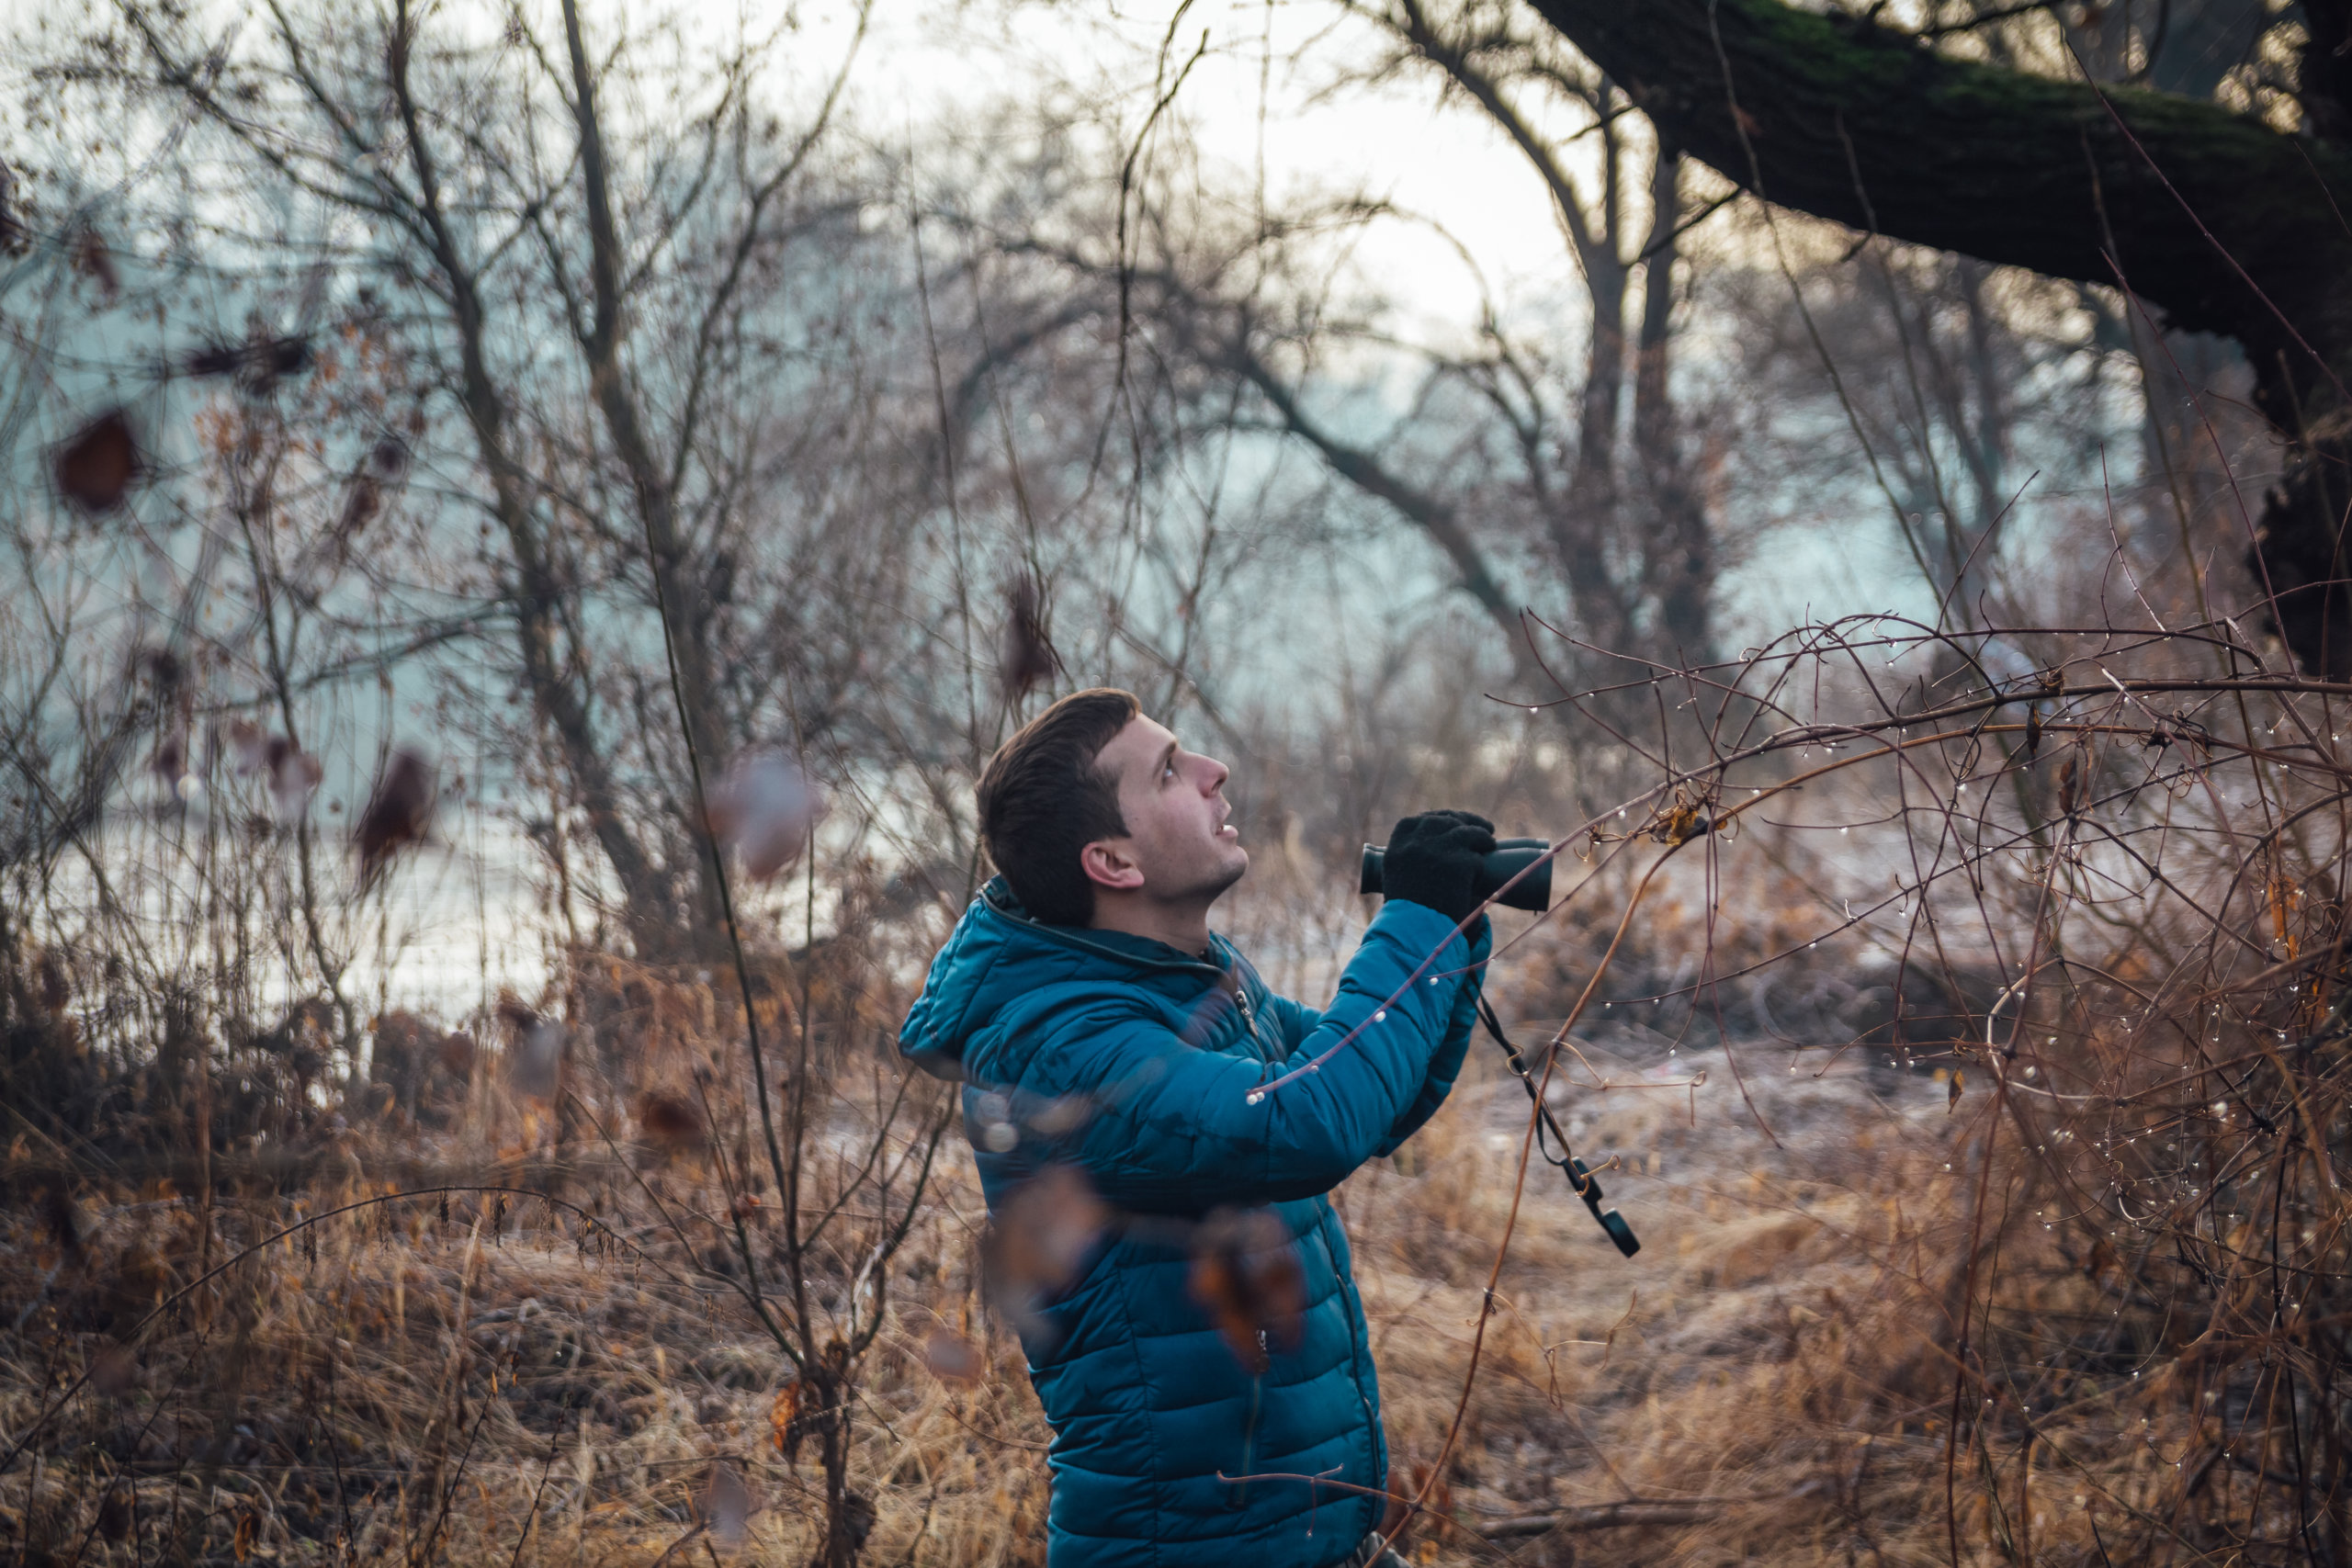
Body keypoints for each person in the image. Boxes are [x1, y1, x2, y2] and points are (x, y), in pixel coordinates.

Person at [899, 688, 1498, 1568]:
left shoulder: (1188, 982)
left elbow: (1370, 1101)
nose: (1216, 774)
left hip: (1292, 1534)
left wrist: (1454, 924)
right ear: (1111, 860)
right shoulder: (1064, 1046)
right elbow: (1307, 1122)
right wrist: (1414, 923)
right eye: (1173, 770)